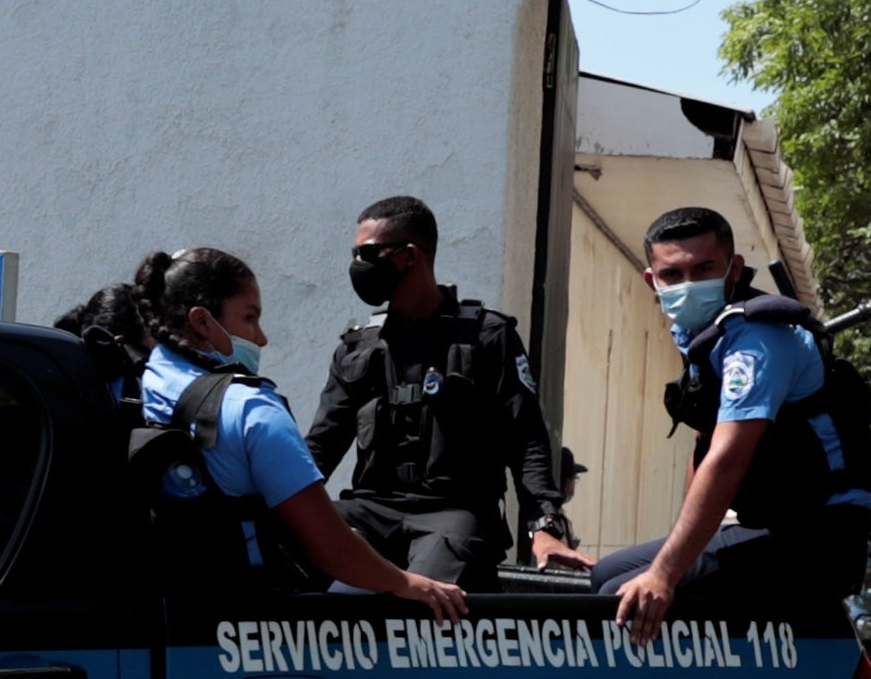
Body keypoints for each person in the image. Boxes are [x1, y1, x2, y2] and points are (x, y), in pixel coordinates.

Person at [126, 246, 470, 620]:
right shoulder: (251, 408)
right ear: (202, 322)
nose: (261, 338)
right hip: (245, 614)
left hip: (157, 606)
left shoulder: (142, 382)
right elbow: (332, 549)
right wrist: (407, 583)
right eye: (250, 318)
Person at [596, 207, 871, 631]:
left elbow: (728, 457)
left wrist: (665, 573)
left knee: (619, 598)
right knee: (607, 573)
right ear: (651, 280)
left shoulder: (757, 339)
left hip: (821, 536)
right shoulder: (704, 336)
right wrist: (683, 545)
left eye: (704, 269)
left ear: (734, 269)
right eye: (672, 275)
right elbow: (705, 445)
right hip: (773, 525)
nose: (689, 284)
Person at [304, 195, 579, 587]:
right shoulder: (357, 348)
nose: (358, 264)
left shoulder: (486, 336)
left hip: (454, 515)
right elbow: (321, 445)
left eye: (368, 253)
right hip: (370, 510)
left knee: (426, 595)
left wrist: (544, 525)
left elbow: (525, 440)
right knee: (282, 544)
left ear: (409, 256)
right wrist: (276, 508)